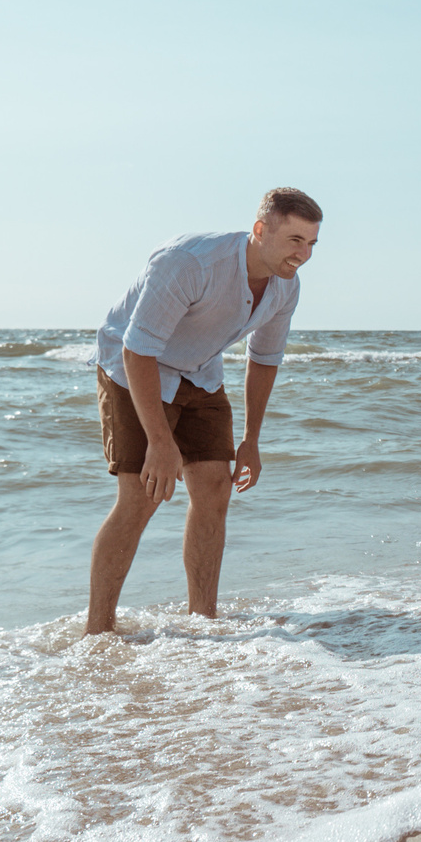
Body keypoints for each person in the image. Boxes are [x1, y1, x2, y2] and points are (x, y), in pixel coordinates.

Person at [85, 188, 321, 635]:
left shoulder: (285, 286)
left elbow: (264, 359)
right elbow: (138, 350)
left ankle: (202, 623)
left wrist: (251, 440)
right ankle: (98, 634)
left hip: (200, 371)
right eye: (294, 240)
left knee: (215, 490)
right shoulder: (190, 263)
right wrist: (160, 442)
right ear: (260, 230)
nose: (303, 255)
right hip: (133, 366)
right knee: (141, 498)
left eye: (311, 243)